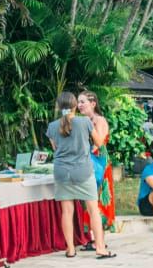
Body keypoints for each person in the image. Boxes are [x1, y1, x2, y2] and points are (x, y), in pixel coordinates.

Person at [46, 92, 111, 258]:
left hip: (61, 172)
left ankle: (70, 249)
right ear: (75, 106)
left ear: (58, 107)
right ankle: (100, 248)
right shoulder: (84, 122)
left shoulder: (52, 126)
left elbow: (55, 148)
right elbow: (98, 142)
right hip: (82, 170)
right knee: (93, 209)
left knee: (67, 211)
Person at [75, 90, 116, 236]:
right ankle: (92, 237)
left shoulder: (99, 120)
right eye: (78, 102)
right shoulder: (85, 121)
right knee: (90, 201)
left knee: (98, 199)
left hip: (99, 163)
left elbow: (98, 143)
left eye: (82, 102)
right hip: (89, 163)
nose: (79, 105)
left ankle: (99, 239)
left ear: (93, 104)